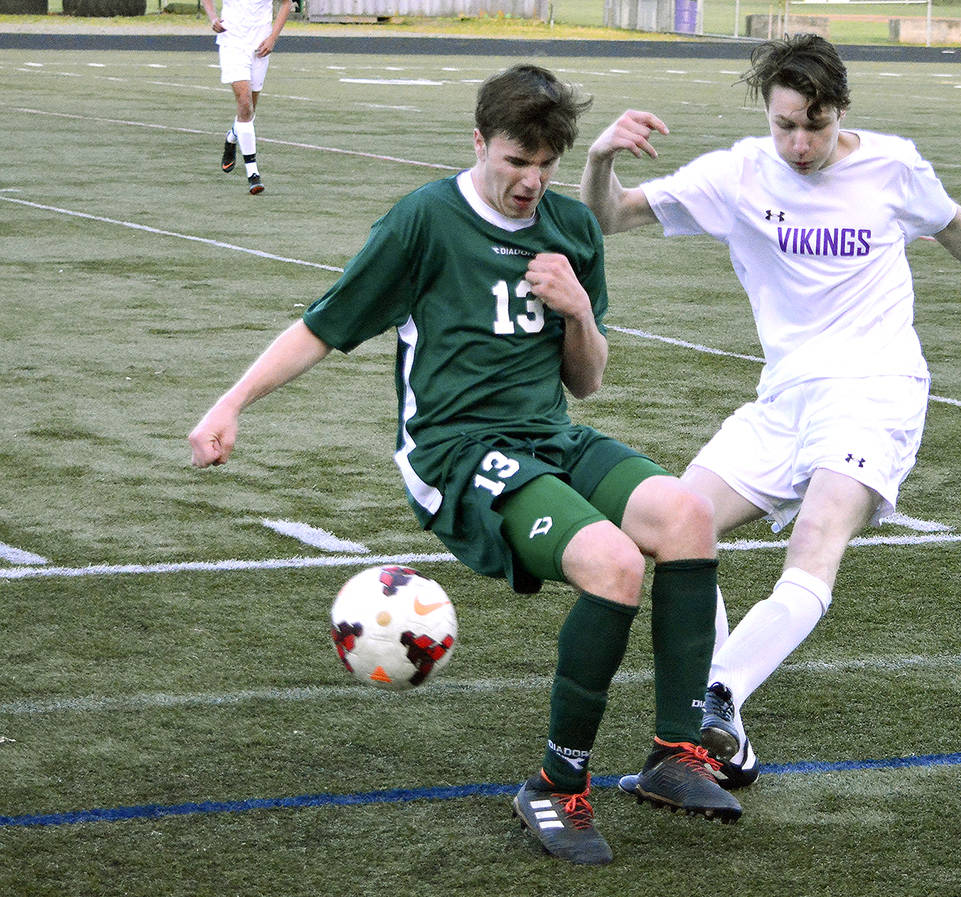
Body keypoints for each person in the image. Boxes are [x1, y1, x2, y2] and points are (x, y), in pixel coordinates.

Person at [188, 64, 741, 865]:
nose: (530, 181)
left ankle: (675, 754)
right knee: (614, 562)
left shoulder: (571, 229)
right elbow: (324, 324)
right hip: (456, 449)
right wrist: (229, 404)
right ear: (480, 142)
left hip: (545, 433)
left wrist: (579, 308)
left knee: (687, 514)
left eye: (546, 165)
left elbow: (585, 381)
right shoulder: (425, 220)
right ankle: (558, 786)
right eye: (516, 161)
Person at [580, 33, 961, 790]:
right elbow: (610, 217)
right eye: (785, 124)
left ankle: (718, 694)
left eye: (816, 123)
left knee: (815, 540)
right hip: (785, 396)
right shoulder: (737, 173)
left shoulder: (893, 164)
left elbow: (952, 223)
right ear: (766, 115)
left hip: (877, 387)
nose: (800, 142)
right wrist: (601, 156)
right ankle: (724, 728)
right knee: (671, 523)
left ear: (841, 110)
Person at [201, 0, 293, 193]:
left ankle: (233, 136)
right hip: (232, 42)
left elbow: (286, 3)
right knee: (244, 103)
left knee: (249, 112)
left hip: (260, 46)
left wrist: (272, 38)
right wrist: (213, 18)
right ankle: (253, 173)